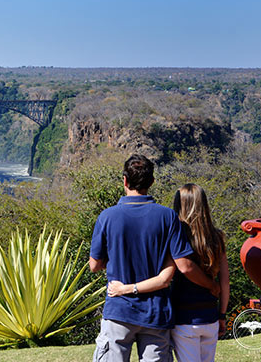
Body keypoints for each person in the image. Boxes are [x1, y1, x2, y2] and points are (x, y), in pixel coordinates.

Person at [90, 154, 219, 362]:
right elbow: (182, 266)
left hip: (118, 310)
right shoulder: (168, 217)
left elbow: (94, 265)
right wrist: (211, 285)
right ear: (152, 182)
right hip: (156, 313)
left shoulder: (107, 216)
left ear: (124, 180)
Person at [108, 184, 230, 362]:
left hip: (184, 318)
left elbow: (181, 269)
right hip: (210, 316)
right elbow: (225, 281)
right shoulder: (217, 237)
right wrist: (222, 314)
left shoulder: (176, 235)